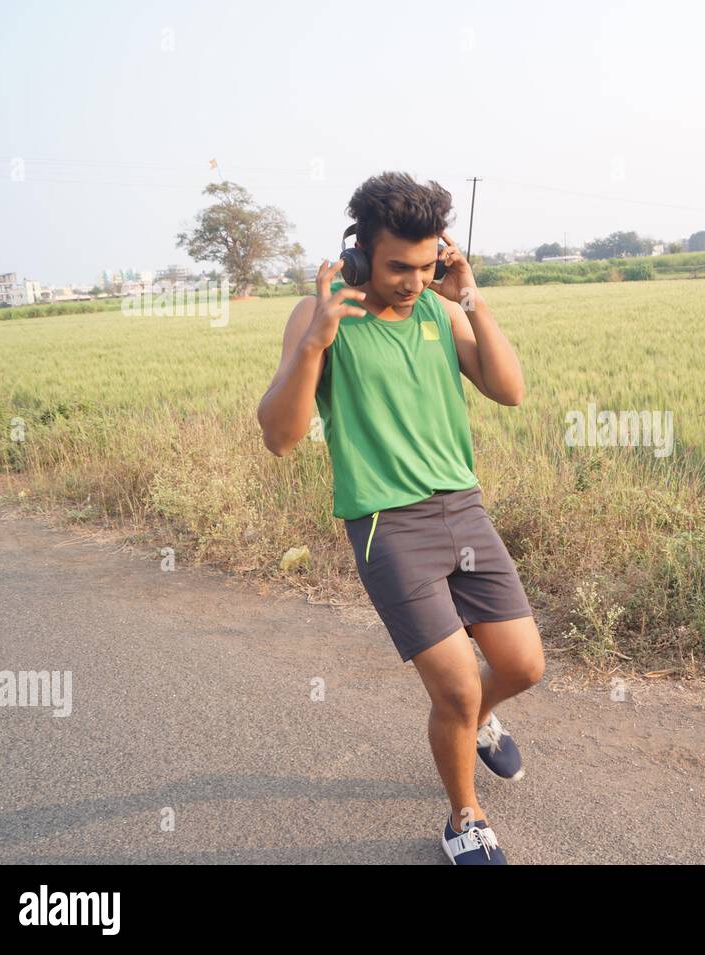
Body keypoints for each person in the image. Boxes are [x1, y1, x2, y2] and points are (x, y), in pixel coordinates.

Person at [257, 171, 543, 865]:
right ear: (360, 254)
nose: (413, 281)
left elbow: (509, 390)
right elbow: (280, 435)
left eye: (426, 265)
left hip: (463, 511)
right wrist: (315, 343)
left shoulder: (439, 310)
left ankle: (474, 724)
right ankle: (464, 817)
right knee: (455, 684)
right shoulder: (321, 315)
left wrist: (468, 297)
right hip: (390, 525)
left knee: (523, 664)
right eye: (397, 267)